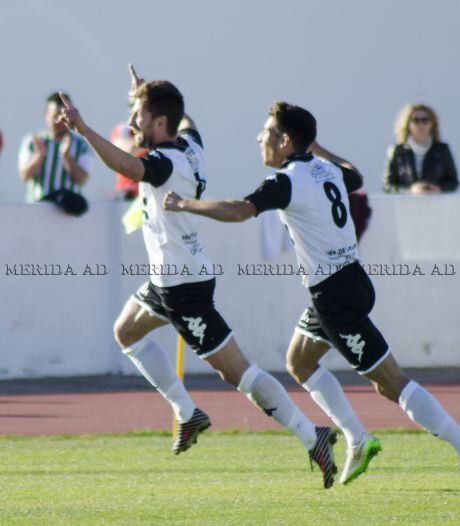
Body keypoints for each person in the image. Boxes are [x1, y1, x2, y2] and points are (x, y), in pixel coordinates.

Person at [162, 101, 460, 494]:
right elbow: (356, 174)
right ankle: (356, 437)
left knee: (390, 383)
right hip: (346, 283)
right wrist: (315, 147)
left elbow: (239, 210)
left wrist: (184, 205)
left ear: (285, 140)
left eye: (266, 132)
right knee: (299, 360)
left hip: (334, 296)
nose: (259, 138)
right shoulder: (326, 168)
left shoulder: (286, 181)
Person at [56, 66, 338, 489]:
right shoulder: (189, 144)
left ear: (161, 124)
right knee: (127, 332)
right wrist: (142, 95)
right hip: (168, 281)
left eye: (140, 118)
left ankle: (310, 434)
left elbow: (127, 166)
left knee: (238, 373)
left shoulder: (164, 161)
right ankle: (188, 413)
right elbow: (187, 119)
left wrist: (82, 129)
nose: (133, 123)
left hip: (183, 288)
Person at [18, 93, 93, 203]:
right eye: (54, 116)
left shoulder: (81, 145)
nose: (58, 121)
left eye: (62, 117)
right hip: (38, 209)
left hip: (68, 212)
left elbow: (82, 180)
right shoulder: (32, 142)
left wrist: (66, 157)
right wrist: (38, 156)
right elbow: (24, 176)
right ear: (46, 116)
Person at [383, 103, 459, 195]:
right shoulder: (397, 151)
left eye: (425, 120)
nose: (421, 124)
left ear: (432, 124)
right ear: (408, 124)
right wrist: (411, 190)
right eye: (416, 120)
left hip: (436, 205)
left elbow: (453, 182)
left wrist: (438, 189)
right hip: (405, 206)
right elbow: (387, 186)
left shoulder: (442, 150)